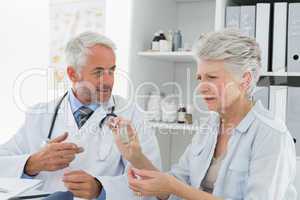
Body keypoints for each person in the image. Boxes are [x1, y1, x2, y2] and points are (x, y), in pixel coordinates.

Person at [109, 29, 297, 200]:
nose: (201, 88)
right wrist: (135, 156)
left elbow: (175, 187)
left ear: (245, 80)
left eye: (212, 78)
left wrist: (174, 187)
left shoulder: (271, 135)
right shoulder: (211, 126)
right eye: (200, 78)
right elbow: (172, 186)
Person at [0, 31, 161, 200]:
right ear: (72, 74)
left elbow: (154, 182)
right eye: (98, 72)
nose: (108, 81)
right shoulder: (39, 115)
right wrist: (32, 163)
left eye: (111, 71)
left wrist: (101, 189)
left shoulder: (132, 115)